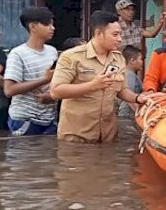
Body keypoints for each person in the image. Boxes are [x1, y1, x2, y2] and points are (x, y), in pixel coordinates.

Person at [50, 10, 148, 143]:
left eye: (120, 34)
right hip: (77, 137)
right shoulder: (72, 57)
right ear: (99, 34)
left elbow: (121, 90)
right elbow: (56, 91)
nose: (120, 39)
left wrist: (137, 98)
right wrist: (92, 85)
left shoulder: (118, 58)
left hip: (108, 135)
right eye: (115, 34)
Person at [3, 6, 59, 136]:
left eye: (52, 23)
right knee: (25, 155)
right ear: (33, 27)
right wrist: (44, 80)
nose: (52, 28)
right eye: (47, 24)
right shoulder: (17, 54)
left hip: (49, 119)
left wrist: (52, 95)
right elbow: (9, 90)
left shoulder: (52, 51)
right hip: (24, 119)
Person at [118, 45, 144, 118]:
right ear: (132, 61)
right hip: (128, 116)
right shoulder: (129, 75)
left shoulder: (130, 74)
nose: (142, 62)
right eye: (141, 59)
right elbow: (130, 100)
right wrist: (141, 115)